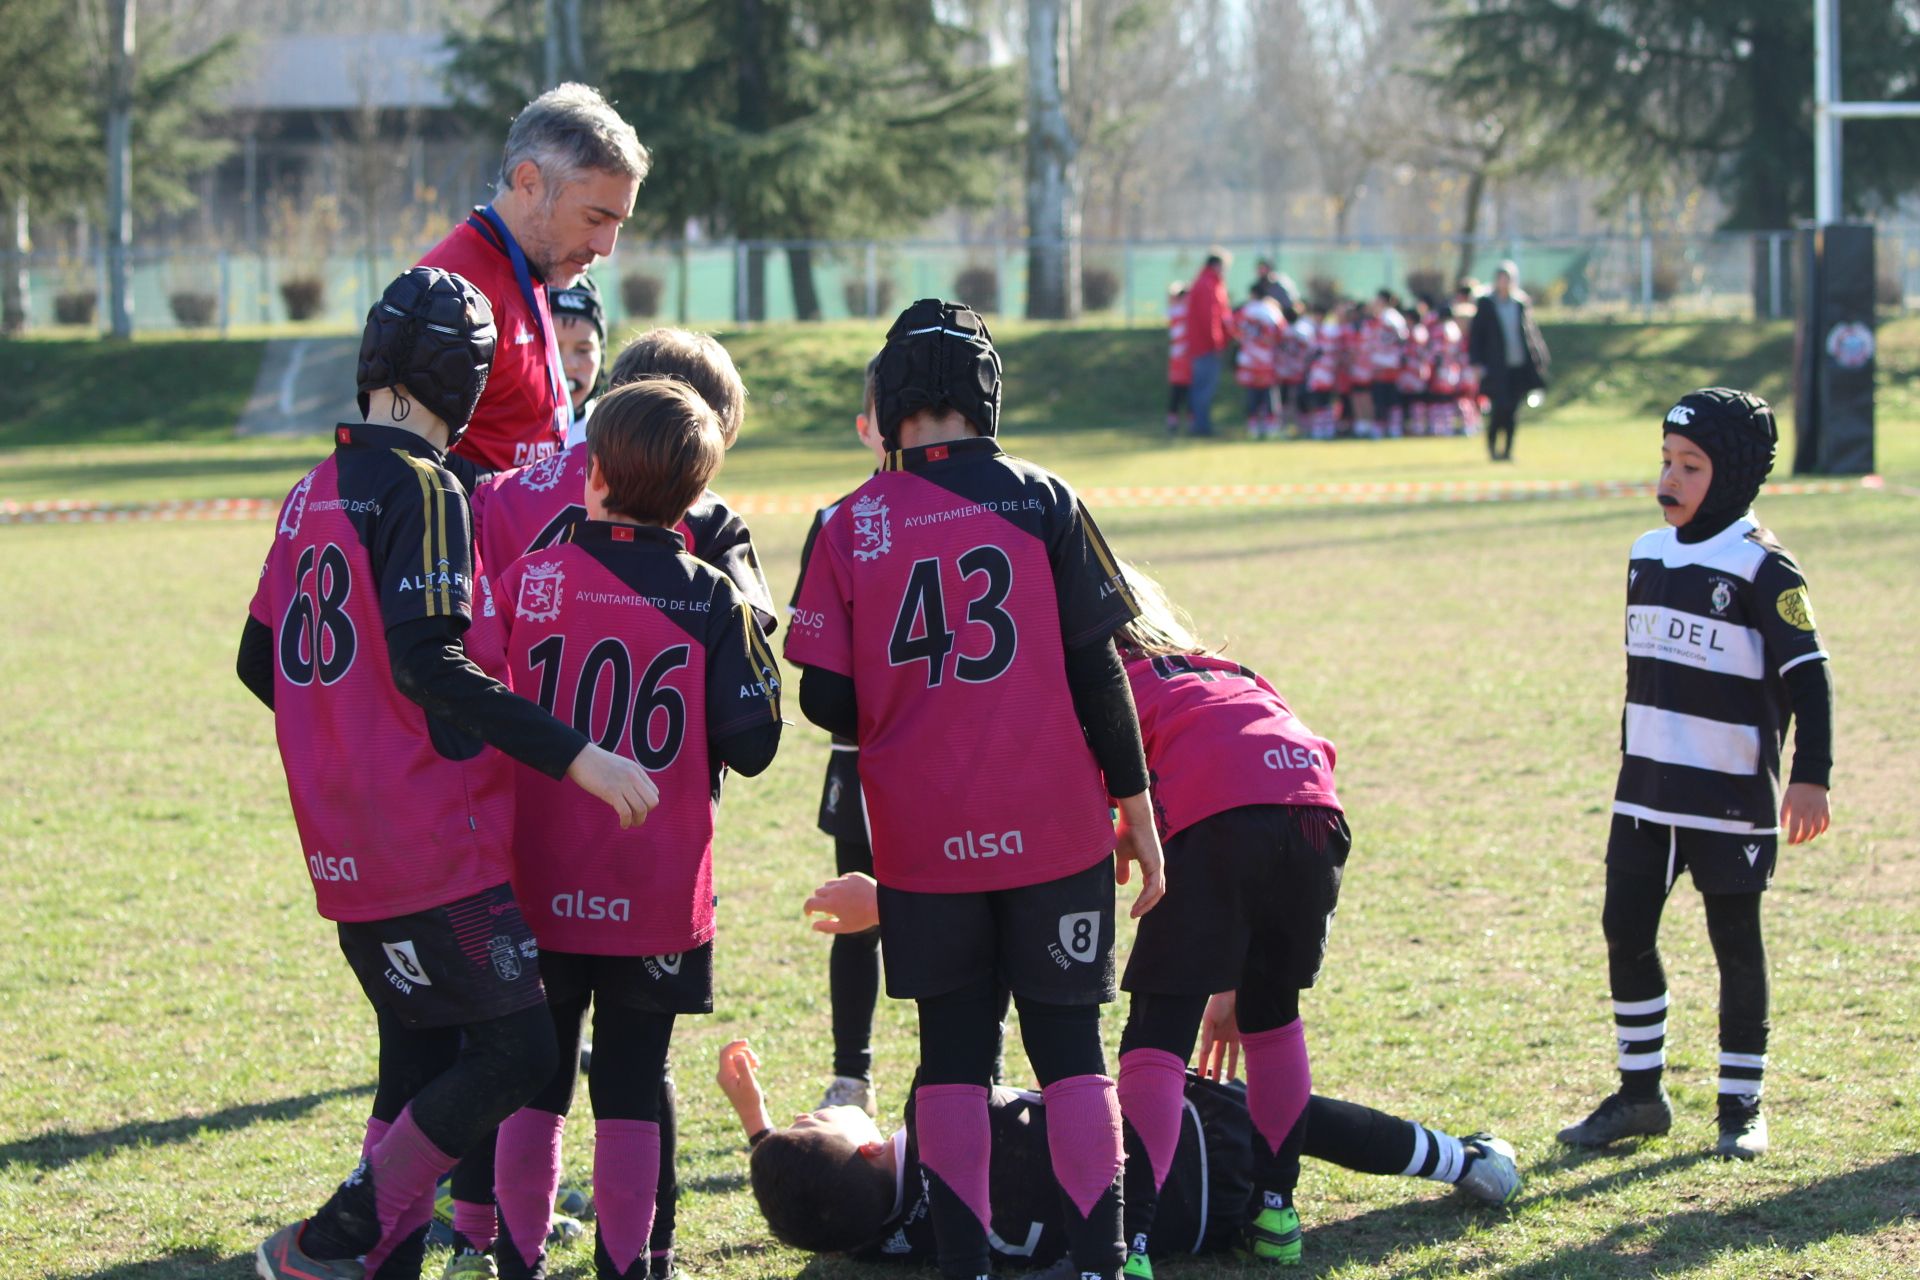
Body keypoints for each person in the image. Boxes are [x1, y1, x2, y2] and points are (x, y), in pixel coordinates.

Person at [238, 267, 657, 1280]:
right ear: (468, 382)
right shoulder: (426, 485)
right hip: (431, 838)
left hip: (341, 838)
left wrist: (348, 735)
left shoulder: (312, 491)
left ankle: (363, 1260)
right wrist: (579, 753)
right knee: (518, 1053)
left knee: (419, 1056)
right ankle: (344, 1227)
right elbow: (433, 662)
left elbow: (262, 661)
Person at [785, 298, 1166, 1280]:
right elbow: (1101, 669)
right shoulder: (1044, 496)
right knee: (1070, 1042)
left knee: (952, 1050)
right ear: (986, 392)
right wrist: (1140, 809)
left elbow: (825, 694)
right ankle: (1101, 1262)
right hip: (1054, 828)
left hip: (921, 837)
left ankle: (964, 1265)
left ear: (892, 400)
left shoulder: (846, 521)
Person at [447, 326, 770, 1280]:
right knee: (633, 1076)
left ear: (590, 474)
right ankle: (633, 1263)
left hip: (539, 867)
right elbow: (752, 745)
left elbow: (471, 697)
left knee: (536, 1075)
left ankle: (515, 1255)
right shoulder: (713, 594)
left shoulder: (534, 578)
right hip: (658, 877)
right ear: (698, 492)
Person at [1557, 389, 1834, 1162]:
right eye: (1666, 462)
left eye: (1691, 466)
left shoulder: (1763, 567)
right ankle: (1640, 1096)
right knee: (1624, 930)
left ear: (1735, 476)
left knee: (1735, 944)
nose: (1668, 480)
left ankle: (1741, 1107)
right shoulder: (1646, 552)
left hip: (1728, 798)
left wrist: (1810, 777)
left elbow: (1810, 680)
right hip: (1644, 792)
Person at [717, 1008, 1518, 1268]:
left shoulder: (893, 1238)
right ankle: (1466, 1162)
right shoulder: (937, 1117)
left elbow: (821, 1225)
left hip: (1198, 1232)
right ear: (861, 1149)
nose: (806, 1111)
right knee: (1296, 1114)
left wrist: (761, 1128)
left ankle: (1461, 1161)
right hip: (1197, 1149)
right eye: (811, 1117)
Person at [419, 83, 648, 481]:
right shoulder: (453, 293)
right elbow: (410, 474)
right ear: (528, 183)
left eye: (618, 224)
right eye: (594, 219)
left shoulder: (532, 268)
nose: (606, 246)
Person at [793, 360, 891, 1117]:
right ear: (867, 428)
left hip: (958, 764)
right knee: (857, 915)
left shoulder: (983, 510)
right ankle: (850, 1076)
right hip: (864, 762)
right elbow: (815, 668)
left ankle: (961, 1074)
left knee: (962, 914)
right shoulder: (837, 523)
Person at [1466, 261, 1549, 462]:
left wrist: (1540, 356)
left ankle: (1508, 450)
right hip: (1496, 367)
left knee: (1513, 410)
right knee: (1499, 409)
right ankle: (1493, 448)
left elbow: (1531, 334)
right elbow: (1477, 335)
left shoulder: (1520, 303)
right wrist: (1476, 362)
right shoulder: (1487, 304)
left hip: (1518, 365)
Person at [1183, 253, 1232, 437]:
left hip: (1202, 345)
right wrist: (1216, 343)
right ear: (1216, 265)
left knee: (1201, 387)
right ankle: (1201, 426)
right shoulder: (1208, 285)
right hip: (1205, 346)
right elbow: (1209, 317)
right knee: (1204, 388)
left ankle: (1199, 424)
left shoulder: (1205, 282)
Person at [550, 274, 607, 422]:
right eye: (552, 350)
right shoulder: (501, 433)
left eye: (583, 350)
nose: (569, 365)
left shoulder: (614, 436)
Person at [1232, 287, 1282, 440]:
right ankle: (1271, 427)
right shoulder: (1271, 311)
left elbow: (1233, 326)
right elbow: (1281, 331)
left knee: (1252, 394)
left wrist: (1244, 340)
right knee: (1268, 393)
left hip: (1249, 360)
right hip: (1266, 359)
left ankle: (1253, 427)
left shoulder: (1246, 311)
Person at [1164, 284, 1191, 436]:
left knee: (1187, 392)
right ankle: (1173, 421)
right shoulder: (1178, 312)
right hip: (1178, 357)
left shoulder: (1178, 311)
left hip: (1187, 358)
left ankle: (1185, 420)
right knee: (1177, 391)